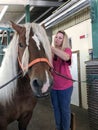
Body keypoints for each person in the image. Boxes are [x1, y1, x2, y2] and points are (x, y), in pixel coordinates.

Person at [50, 30, 73, 130]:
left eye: (60, 38)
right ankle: (58, 127)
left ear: (64, 40)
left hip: (65, 87)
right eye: (56, 37)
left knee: (64, 110)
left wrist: (50, 48)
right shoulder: (50, 52)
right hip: (53, 87)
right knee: (56, 109)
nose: (57, 39)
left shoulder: (67, 50)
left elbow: (66, 57)